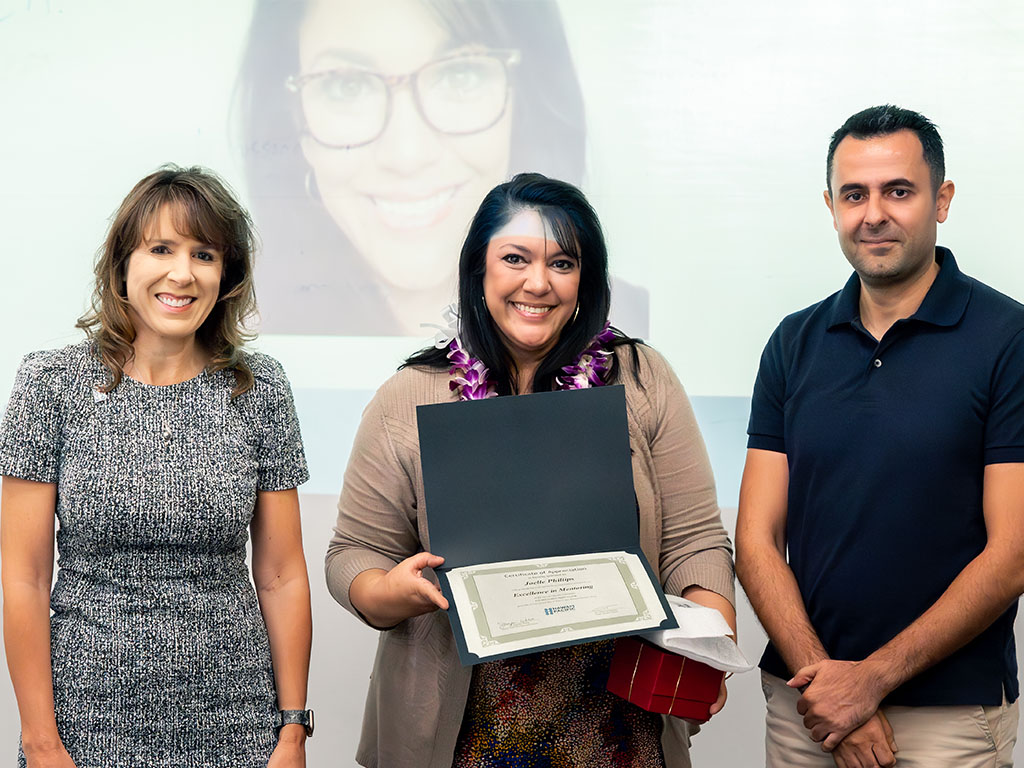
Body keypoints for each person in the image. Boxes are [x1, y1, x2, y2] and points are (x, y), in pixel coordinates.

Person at [325, 173, 734, 768]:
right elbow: (353, 554)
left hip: (617, 733)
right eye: (515, 258)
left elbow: (694, 540)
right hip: (465, 737)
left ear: (584, 279)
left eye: (562, 263)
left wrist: (707, 644)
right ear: (479, 271)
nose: (537, 283)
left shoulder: (640, 379)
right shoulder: (409, 396)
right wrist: (390, 591)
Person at [736, 105, 1024, 768]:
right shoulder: (793, 342)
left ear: (941, 200)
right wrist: (826, 681)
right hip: (806, 706)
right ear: (831, 205)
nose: (874, 214)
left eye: (899, 191)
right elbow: (754, 540)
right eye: (854, 194)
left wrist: (871, 680)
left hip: (948, 717)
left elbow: (1012, 554)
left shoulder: (1009, 341)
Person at [0, 166, 314, 768]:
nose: (182, 273)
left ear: (227, 277)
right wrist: (40, 741)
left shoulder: (260, 386)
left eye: (205, 254)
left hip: (239, 723)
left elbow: (280, 575)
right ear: (122, 263)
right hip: (84, 722)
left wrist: (292, 731)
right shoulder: (50, 383)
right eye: (161, 248)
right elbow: (25, 578)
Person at [236, 0, 649, 337]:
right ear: (295, 121)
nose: (407, 155)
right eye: (347, 85)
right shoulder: (238, 330)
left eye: (461, 75)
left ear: (523, 99)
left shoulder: (631, 328)